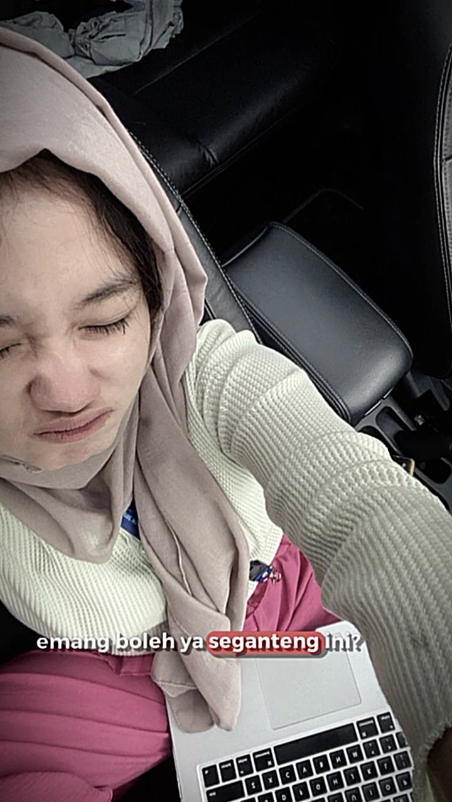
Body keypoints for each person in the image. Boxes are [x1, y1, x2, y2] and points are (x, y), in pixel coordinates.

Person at [0, 27, 451, 802]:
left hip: (277, 589)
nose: (66, 390)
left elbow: (365, 507)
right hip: (121, 662)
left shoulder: (205, 372)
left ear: (158, 291)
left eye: (105, 321)